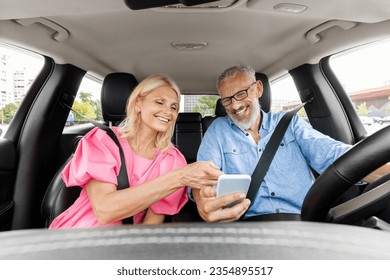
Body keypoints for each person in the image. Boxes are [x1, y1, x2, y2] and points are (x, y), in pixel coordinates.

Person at [50, 74, 222, 228]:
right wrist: (179, 177)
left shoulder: (174, 160)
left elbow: (150, 227)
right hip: (77, 232)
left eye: (174, 107)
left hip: (126, 241)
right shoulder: (102, 140)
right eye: (159, 102)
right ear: (138, 103)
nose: (167, 112)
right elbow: (105, 210)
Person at [192, 65, 355, 222]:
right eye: (227, 100)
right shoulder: (218, 131)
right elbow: (202, 178)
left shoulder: (290, 123)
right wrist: (202, 203)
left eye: (241, 94)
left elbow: (334, 155)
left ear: (258, 89)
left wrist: (375, 159)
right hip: (248, 225)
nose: (235, 105)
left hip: (302, 221)